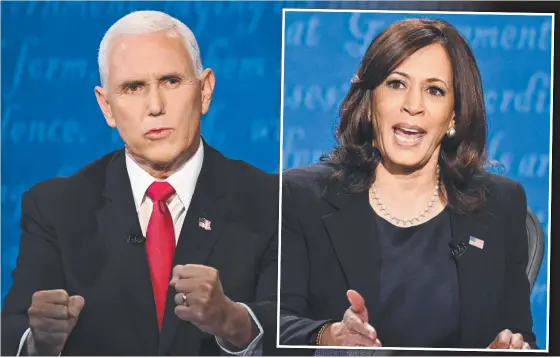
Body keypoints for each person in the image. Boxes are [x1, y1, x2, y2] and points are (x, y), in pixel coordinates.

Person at [1, 10, 279, 356]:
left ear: (205, 90)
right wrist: (40, 344)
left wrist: (234, 321)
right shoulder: (56, 209)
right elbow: (13, 333)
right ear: (107, 107)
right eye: (133, 88)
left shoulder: (272, 201)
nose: (155, 106)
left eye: (171, 81)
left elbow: (296, 330)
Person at [279, 18, 537, 353]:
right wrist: (327, 336)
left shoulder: (501, 204)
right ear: (370, 104)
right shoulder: (299, 197)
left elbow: (519, 336)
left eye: (434, 90)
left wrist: (510, 348)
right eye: (396, 84)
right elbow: (272, 325)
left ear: (454, 116)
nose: (413, 105)